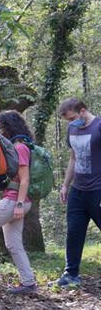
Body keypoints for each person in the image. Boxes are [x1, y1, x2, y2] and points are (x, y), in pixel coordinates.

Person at [0, 110, 38, 294]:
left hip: (15, 201)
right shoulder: (17, 146)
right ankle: (28, 283)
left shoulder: (19, 147)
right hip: (16, 200)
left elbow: (24, 179)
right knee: (14, 245)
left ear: (8, 127)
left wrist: (19, 205)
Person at [54, 98, 101, 287]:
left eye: (72, 117)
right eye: (67, 120)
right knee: (74, 232)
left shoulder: (98, 127)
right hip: (78, 190)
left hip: (98, 190)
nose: (70, 122)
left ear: (82, 110)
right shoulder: (72, 129)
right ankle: (70, 275)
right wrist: (66, 185)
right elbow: (73, 158)